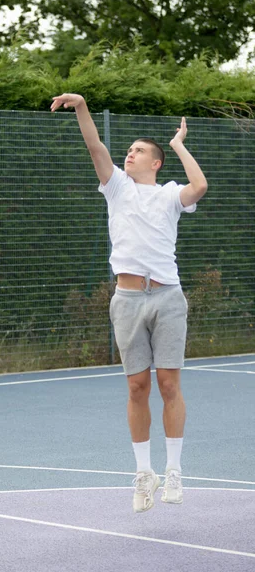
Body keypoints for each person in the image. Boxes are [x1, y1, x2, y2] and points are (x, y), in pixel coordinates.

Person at [51, 93, 208, 513]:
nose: (130, 153)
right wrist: (82, 107)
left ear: (155, 162)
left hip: (167, 296)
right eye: (129, 150)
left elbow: (201, 186)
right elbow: (95, 146)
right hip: (127, 299)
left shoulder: (170, 194)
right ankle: (144, 473)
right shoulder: (116, 186)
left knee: (168, 384)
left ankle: (174, 470)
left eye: (138, 151)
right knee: (137, 387)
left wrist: (178, 145)